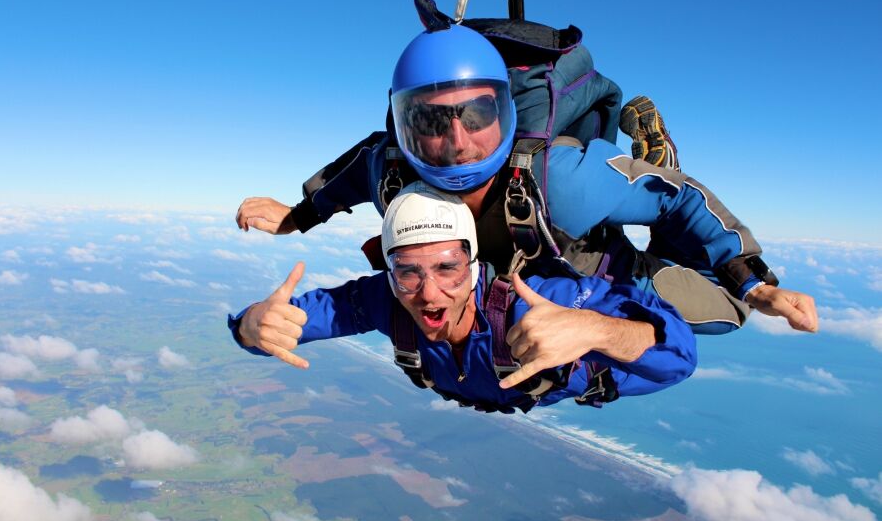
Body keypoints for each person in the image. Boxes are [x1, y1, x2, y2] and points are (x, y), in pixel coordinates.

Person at [236, 13, 818, 339]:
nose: (458, 141)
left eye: (477, 114)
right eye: (432, 122)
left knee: (723, 314)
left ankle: (655, 157)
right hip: (516, 276)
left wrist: (753, 284)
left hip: (599, 269)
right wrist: (298, 215)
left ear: (505, 113)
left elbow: (681, 199)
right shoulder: (392, 169)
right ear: (405, 126)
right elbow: (358, 166)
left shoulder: (561, 183)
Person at [229, 183, 697, 414]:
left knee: (663, 273)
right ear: (389, 273)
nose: (428, 293)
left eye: (447, 267)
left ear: (473, 266)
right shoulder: (385, 301)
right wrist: (250, 326)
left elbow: (678, 357)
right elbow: (284, 323)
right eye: (407, 271)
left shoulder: (537, 304)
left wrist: (594, 329)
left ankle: (659, 188)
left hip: (625, 366)